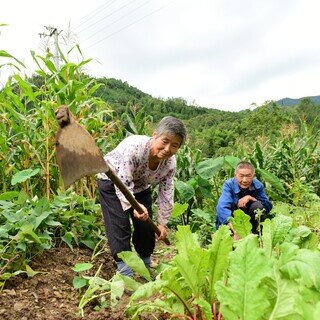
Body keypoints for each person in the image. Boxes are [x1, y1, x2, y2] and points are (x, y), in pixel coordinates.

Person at [97, 116, 187, 276]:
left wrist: (162, 224)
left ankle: (145, 260)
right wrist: (134, 206)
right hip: (113, 180)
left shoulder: (170, 163)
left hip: (140, 185)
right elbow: (123, 180)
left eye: (174, 146)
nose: (167, 149)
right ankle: (125, 269)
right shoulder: (135, 148)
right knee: (119, 223)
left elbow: (166, 191)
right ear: (154, 135)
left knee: (146, 224)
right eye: (164, 141)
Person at [216, 161, 272, 239]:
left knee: (258, 206)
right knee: (225, 211)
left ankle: (257, 236)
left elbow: (267, 206)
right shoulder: (228, 185)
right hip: (233, 223)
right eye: (241, 176)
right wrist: (236, 231)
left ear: (253, 176)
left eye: (248, 176)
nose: (244, 180)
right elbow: (222, 207)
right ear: (235, 175)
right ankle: (230, 235)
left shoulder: (258, 185)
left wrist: (251, 198)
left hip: (250, 221)